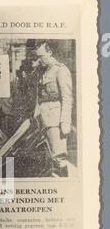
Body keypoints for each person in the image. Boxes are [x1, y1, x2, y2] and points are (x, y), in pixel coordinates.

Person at [34, 40, 73, 177]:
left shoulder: (61, 70)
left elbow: (67, 97)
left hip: (55, 120)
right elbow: (40, 96)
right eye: (37, 57)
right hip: (44, 119)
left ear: (50, 52)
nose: (39, 60)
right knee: (49, 156)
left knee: (59, 157)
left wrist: (65, 121)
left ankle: (64, 186)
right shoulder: (43, 71)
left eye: (41, 56)